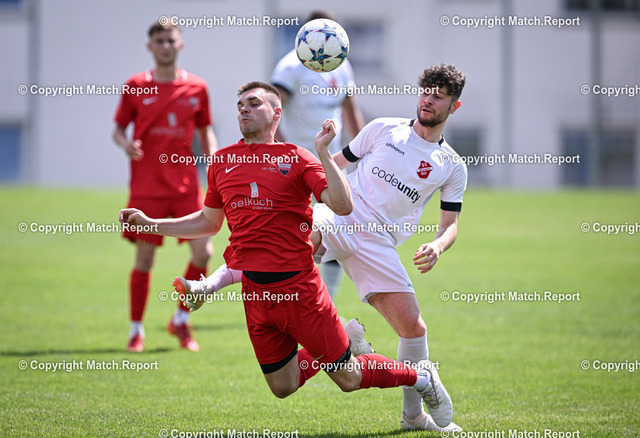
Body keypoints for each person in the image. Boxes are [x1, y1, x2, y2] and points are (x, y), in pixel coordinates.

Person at [119, 81, 453, 428]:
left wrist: (324, 153)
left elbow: (342, 205)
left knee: (349, 379)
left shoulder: (297, 158)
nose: (244, 110)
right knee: (283, 386)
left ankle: (420, 377)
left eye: (253, 103)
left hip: (300, 292)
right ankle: (343, 339)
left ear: (276, 113)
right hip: (255, 295)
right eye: (240, 105)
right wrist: (151, 223)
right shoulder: (222, 161)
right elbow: (208, 222)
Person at [112, 21, 217, 352]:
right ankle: (136, 331)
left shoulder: (197, 87)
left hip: (185, 186)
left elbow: (206, 130)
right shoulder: (135, 86)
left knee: (204, 252)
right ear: (150, 47)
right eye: (159, 41)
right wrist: (126, 144)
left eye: (171, 40)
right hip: (147, 188)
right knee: (145, 259)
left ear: (180, 45)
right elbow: (118, 129)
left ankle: (181, 320)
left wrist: (214, 161)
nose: (166, 46)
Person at [271, 10, 366, 301]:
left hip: (332, 162)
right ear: (308, 35)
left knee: (338, 228)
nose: (328, 39)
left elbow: (350, 109)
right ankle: (287, 296)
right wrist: (283, 151)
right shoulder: (290, 67)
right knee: (292, 234)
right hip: (295, 165)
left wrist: (364, 150)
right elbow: (271, 112)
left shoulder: (341, 65)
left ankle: (328, 301)